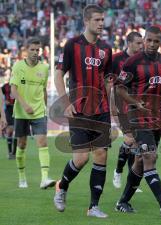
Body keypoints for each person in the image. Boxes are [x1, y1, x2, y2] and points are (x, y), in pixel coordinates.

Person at [114, 26, 161, 218]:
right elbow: (119, 89)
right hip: (137, 116)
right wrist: (135, 102)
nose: (152, 44)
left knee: (140, 162)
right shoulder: (132, 62)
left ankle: (123, 202)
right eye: (148, 40)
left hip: (157, 118)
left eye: (156, 41)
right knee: (150, 157)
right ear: (144, 40)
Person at [53, 4, 112, 218]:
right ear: (86, 21)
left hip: (101, 110)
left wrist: (111, 104)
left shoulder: (107, 48)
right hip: (78, 109)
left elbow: (107, 79)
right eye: (97, 20)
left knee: (101, 154)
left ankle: (93, 207)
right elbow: (59, 75)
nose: (101, 23)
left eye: (102, 20)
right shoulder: (72, 45)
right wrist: (65, 102)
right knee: (80, 159)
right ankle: (62, 186)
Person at [10, 37, 55, 189]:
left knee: (42, 142)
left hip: (39, 112)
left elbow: (43, 90)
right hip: (21, 112)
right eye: (32, 49)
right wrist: (25, 105)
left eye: (38, 50)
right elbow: (13, 90)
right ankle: (22, 178)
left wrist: (46, 108)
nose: (36, 52)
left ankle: (44, 179)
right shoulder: (17, 66)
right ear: (26, 50)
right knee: (22, 144)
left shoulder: (44, 68)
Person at [112, 31, 144, 190]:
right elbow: (109, 81)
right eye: (138, 43)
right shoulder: (116, 59)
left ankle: (132, 179)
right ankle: (118, 171)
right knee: (130, 140)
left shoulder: (143, 60)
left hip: (136, 105)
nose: (141, 46)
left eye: (141, 43)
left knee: (136, 144)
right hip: (121, 105)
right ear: (129, 43)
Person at [2, 81, 17, 159]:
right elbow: (1, 95)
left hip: (17, 109)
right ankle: (10, 152)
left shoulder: (18, 84)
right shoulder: (5, 86)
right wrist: (4, 101)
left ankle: (14, 153)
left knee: (16, 132)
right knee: (9, 131)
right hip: (8, 109)